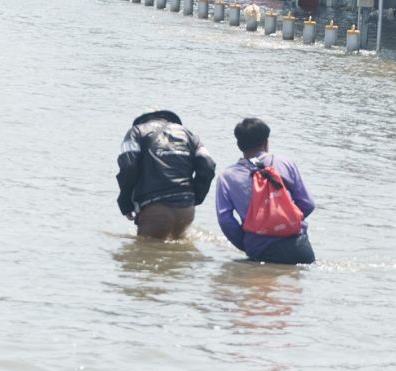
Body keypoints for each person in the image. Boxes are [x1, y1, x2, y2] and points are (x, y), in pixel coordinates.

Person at [215, 117, 316, 265]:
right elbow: (308, 204)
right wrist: (286, 221)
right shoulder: (285, 164)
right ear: (266, 142)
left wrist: (247, 244)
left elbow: (225, 220)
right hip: (300, 248)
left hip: (260, 249)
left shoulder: (227, 177)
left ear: (239, 145)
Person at [116, 110, 217, 240]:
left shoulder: (136, 132)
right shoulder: (188, 134)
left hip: (154, 209)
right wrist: (195, 197)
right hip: (186, 210)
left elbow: (128, 166)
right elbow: (208, 166)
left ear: (143, 121)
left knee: (147, 253)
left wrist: (125, 203)